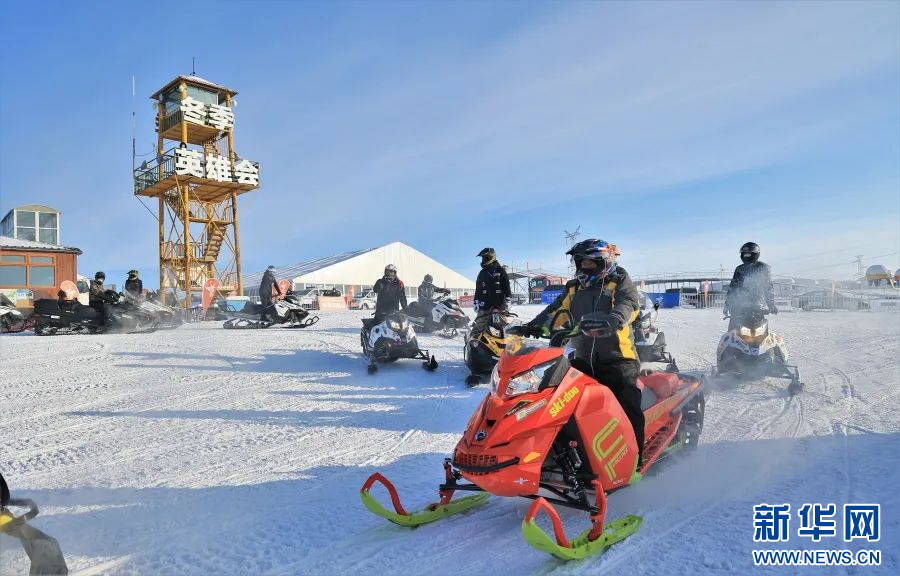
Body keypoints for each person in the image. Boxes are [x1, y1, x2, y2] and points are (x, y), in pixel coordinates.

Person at [521, 239, 645, 467]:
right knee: (560, 405)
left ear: (604, 263)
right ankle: (564, 457)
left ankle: (635, 460)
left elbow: (630, 304)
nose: (584, 268)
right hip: (582, 359)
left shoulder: (619, 280)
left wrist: (615, 318)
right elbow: (556, 310)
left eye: (590, 263)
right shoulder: (573, 287)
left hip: (617, 359)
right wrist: (534, 325)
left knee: (626, 405)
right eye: (581, 263)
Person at [724, 242, 776, 330]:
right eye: (744, 253)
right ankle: (726, 344)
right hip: (738, 307)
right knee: (731, 335)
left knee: (762, 334)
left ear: (755, 254)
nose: (746, 255)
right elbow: (733, 287)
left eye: (749, 253)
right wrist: (727, 305)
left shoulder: (763, 268)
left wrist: (771, 306)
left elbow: (768, 287)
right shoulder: (739, 269)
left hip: (757, 307)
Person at [470, 247, 511, 339]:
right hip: (484, 304)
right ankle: (472, 342)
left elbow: (506, 285)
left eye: (486, 258)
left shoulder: (500, 270)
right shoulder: (482, 273)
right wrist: (476, 301)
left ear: (492, 257)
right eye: (483, 258)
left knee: (498, 325)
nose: (484, 260)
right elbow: (478, 289)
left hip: (498, 304)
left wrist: (508, 299)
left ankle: (501, 346)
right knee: (479, 324)